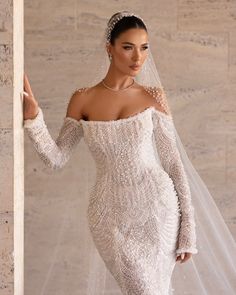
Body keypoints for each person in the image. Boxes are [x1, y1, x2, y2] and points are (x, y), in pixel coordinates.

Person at [22, 11, 236, 295]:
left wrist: (188, 231)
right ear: (109, 48)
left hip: (158, 210)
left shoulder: (153, 97)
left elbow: (173, 164)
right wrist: (34, 118)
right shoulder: (82, 98)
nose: (138, 58)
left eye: (144, 47)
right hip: (108, 217)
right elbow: (56, 158)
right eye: (128, 47)